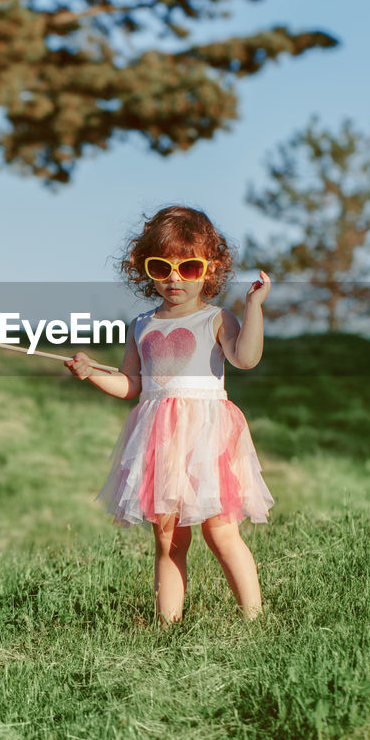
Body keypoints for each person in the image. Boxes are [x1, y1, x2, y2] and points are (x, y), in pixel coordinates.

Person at [65, 205, 274, 623]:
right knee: (168, 539)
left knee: (220, 531)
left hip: (206, 436)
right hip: (160, 438)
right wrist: (91, 374)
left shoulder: (216, 318)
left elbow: (245, 359)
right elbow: (132, 385)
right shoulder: (142, 325)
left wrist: (254, 306)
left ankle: (254, 620)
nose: (175, 279)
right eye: (162, 267)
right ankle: (168, 627)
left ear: (210, 269)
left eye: (190, 268)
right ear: (146, 270)